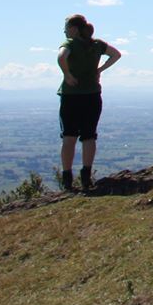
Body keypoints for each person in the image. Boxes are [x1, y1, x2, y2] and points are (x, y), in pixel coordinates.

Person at [57, 14, 122, 192]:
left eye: (66, 27)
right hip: (92, 95)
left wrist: (67, 75)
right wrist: (99, 70)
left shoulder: (70, 44)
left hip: (71, 96)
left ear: (74, 29)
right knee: (89, 136)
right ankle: (86, 178)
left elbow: (61, 57)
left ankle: (67, 179)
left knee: (69, 137)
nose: (64, 31)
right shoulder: (96, 45)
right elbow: (116, 54)